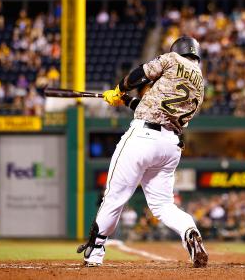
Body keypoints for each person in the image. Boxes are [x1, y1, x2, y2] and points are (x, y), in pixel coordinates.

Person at [77, 36, 208, 268]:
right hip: (170, 145)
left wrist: (119, 89)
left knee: (115, 197)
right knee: (164, 205)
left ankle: (95, 253)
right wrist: (126, 100)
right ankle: (189, 231)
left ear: (177, 50)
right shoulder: (200, 83)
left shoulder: (171, 59)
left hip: (142, 137)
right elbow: (159, 106)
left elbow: (140, 74)